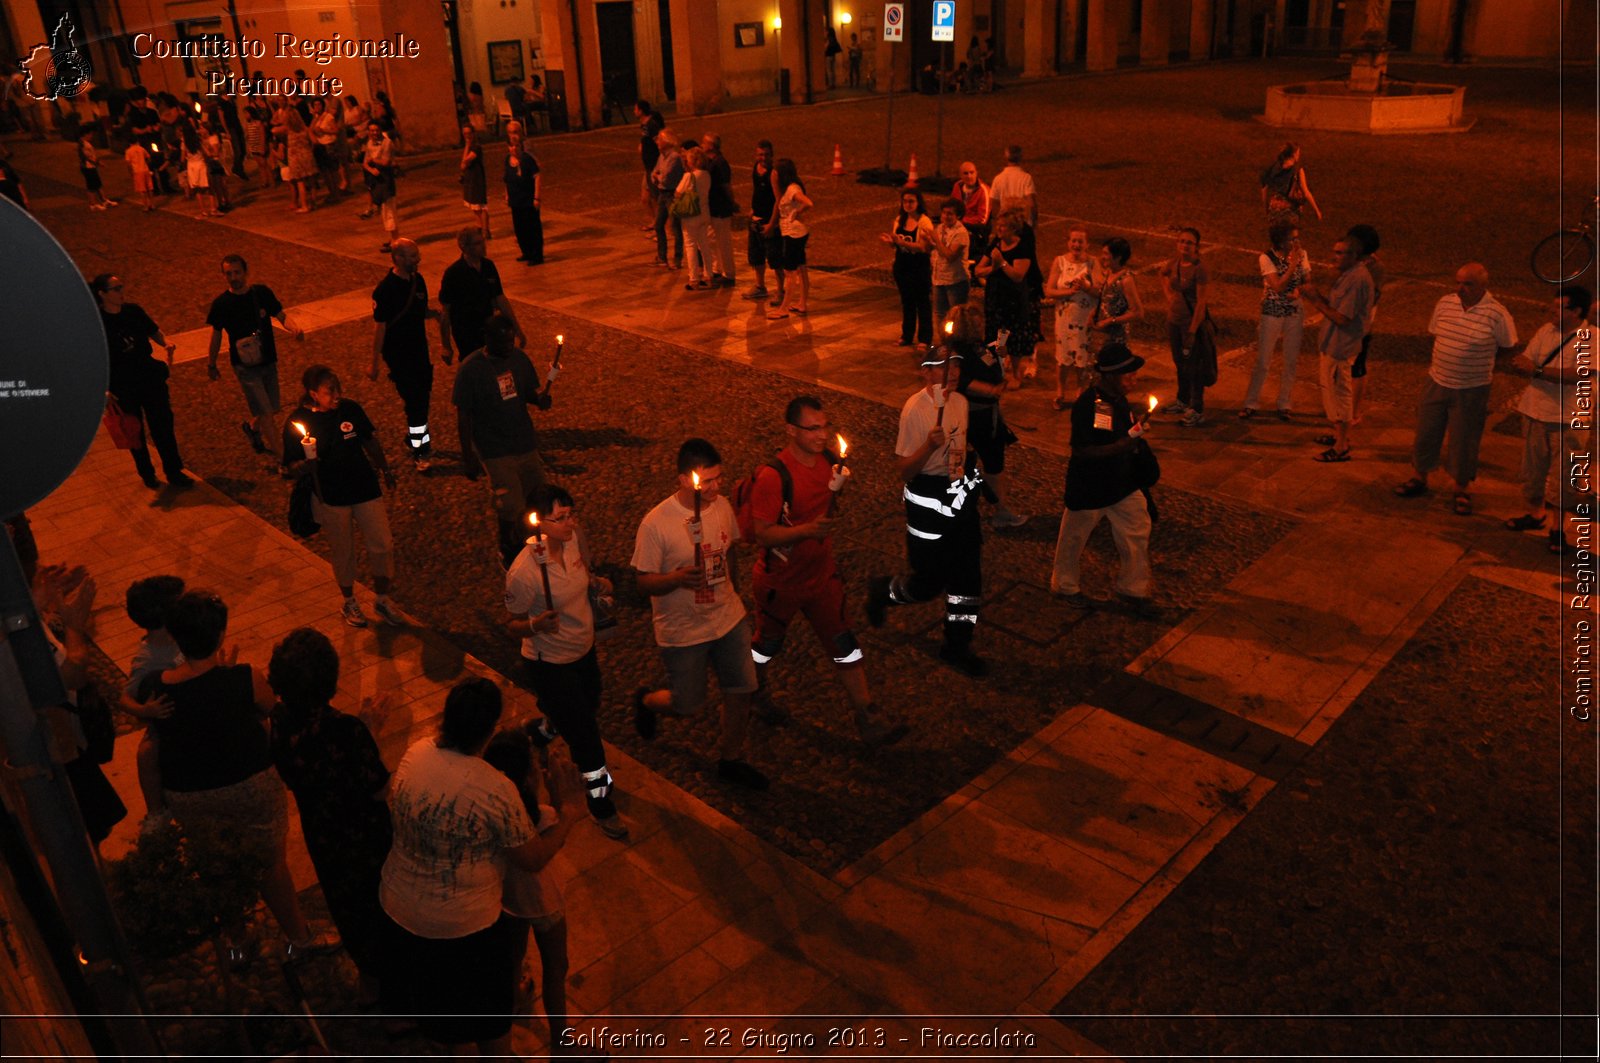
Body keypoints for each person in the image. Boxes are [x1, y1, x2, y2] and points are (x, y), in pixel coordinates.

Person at [380, 678, 579, 1055]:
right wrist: (569, 813)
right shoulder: (493, 788)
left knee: (438, 1015)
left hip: (402, 911)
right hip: (464, 929)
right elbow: (531, 857)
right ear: (488, 730)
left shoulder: (415, 754)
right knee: (490, 1027)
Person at [142, 590, 336, 961]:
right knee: (271, 863)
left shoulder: (156, 687)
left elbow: (151, 742)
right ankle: (298, 936)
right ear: (219, 635)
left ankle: (236, 943)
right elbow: (270, 709)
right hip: (250, 784)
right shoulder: (244, 677)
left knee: (214, 863)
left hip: (189, 791)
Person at [747, 396, 907, 746]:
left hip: (822, 578)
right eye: (813, 428)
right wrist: (805, 531)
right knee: (767, 645)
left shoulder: (831, 464)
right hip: (781, 584)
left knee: (844, 641)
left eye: (825, 427)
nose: (822, 435)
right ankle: (751, 687)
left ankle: (868, 715)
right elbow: (762, 533)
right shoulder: (774, 477)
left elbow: (827, 510)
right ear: (791, 430)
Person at [630, 438, 770, 790]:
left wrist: (734, 592)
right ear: (682, 479)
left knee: (742, 690)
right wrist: (676, 579)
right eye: (707, 481)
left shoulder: (721, 507)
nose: (716, 487)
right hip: (683, 630)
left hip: (727, 617)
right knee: (687, 704)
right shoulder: (656, 524)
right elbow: (643, 583)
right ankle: (647, 702)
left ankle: (731, 758)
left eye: (718, 478)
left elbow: (730, 550)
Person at [267, 628, 393, 1004]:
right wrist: (371, 730)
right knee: (381, 907)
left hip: (322, 833)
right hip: (365, 835)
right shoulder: (346, 730)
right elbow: (376, 788)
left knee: (346, 905)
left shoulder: (279, 724)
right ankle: (397, 1002)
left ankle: (370, 982)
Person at [503, 483, 628, 838]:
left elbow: (584, 577)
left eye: (571, 514)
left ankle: (543, 730)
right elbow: (511, 624)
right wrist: (534, 624)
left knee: (589, 705)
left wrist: (598, 584)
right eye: (560, 518)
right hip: (550, 664)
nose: (570, 523)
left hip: (583, 652)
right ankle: (601, 803)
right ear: (539, 523)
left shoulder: (575, 540)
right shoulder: (524, 573)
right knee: (587, 740)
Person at [865, 348, 987, 678]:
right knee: (928, 583)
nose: (952, 370)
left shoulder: (960, 403)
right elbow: (904, 470)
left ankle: (957, 645)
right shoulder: (915, 410)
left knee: (968, 582)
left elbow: (960, 445)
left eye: (956, 363)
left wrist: (972, 467)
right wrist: (928, 448)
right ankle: (885, 591)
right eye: (942, 366)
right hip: (927, 503)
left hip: (959, 498)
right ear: (926, 373)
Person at [481, 727, 579, 1051]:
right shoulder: (545, 816)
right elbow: (551, 842)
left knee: (513, 955)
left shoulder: (492, 812)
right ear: (526, 779)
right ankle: (562, 1045)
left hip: (509, 899)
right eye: (536, 768)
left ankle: (513, 1000)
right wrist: (562, 798)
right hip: (544, 901)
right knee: (556, 966)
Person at [1391, 262, 1518, 513]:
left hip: (1472, 387)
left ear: (1483, 286)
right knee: (1427, 432)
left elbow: (1509, 347)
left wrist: (1481, 361)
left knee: (1464, 439)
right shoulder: (1445, 303)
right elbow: (1435, 333)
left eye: (1468, 284)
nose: (1460, 289)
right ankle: (1420, 476)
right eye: (1458, 283)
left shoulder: (1497, 315)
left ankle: (1462, 488)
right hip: (1437, 380)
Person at [282, 365, 402, 626]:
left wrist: (385, 468)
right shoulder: (297, 422)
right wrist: (303, 465)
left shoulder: (350, 409)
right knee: (343, 551)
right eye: (330, 391)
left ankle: (382, 599)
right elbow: (290, 465)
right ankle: (349, 602)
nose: (337, 395)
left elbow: (369, 440)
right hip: (332, 496)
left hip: (365, 489)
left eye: (338, 388)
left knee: (383, 545)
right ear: (313, 394)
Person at [1049, 343, 1160, 617]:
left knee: (1137, 527)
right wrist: (1125, 444)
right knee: (1074, 537)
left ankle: (1133, 588)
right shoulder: (1090, 405)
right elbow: (1083, 450)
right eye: (1128, 376)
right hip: (1091, 484)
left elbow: (1115, 435)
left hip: (1122, 481)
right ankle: (1064, 585)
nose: (1134, 380)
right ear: (1110, 377)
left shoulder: (1118, 400)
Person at [455, 315, 553, 568]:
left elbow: (529, 392)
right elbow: (464, 416)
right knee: (511, 505)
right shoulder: (471, 369)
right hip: (494, 448)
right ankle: (509, 549)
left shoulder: (519, 359)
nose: (510, 345)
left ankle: (536, 543)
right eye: (503, 341)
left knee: (538, 497)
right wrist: (468, 455)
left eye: (511, 339)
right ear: (487, 339)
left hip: (524, 442)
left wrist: (540, 399)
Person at [1504, 285, 1590, 553]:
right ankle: (1536, 513)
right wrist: (1525, 365)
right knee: (1532, 470)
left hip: (1567, 418)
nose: (1551, 311)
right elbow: (1527, 360)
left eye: (1558, 307)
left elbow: (1580, 373)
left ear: (1575, 311)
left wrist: (1538, 370)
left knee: (1563, 476)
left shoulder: (1592, 338)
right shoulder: (1545, 331)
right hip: (1534, 412)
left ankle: (1558, 528)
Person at [94, 273, 190, 489]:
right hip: (122, 385)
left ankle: (174, 471)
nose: (121, 293)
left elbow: (154, 331)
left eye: (121, 287)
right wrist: (104, 389)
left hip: (149, 377)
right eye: (116, 289)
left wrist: (166, 342)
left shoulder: (133, 312)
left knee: (163, 426)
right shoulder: (97, 324)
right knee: (133, 431)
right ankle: (147, 473)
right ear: (102, 294)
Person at [206, 254, 303, 462]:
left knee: (271, 407)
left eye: (237, 272)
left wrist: (294, 328)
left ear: (246, 272)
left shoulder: (261, 294)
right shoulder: (222, 304)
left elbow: (281, 315)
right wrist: (211, 364)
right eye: (228, 273)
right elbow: (216, 334)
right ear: (223, 275)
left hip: (267, 359)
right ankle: (283, 459)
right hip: (245, 367)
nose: (233, 277)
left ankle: (252, 427)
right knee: (267, 413)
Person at [1299, 237, 1375, 463]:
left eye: (1341, 253)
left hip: (1341, 346)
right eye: (1335, 252)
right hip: (1333, 344)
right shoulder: (1348, 276)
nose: (1335, 257)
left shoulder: (1356, 281)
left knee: (1339, 394)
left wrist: (1315, 300)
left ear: (1354, 256)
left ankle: (1341, 446)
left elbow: (1342, 318)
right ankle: (1337, 436)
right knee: (1332, 393)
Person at [952, 304, 1026, 529]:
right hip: (976, 415)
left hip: (987, 414)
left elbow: (987, 360)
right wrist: (989, 390)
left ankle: (988, 505)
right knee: (991, 464)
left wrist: (997, 350)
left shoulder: (977, 346)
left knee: (987, 462)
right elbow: (959, 379)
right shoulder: (957, 351)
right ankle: (999, 510)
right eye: (980, 322)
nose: (984, 324)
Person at [369, 238, 440, 470]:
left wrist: (434, 315)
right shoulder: (385, 290)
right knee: (416, 402)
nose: (418, 259)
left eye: (417, 254)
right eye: (412, 256)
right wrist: (375, 363)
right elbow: (380, 328)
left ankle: (415, 438)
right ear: (397, 258)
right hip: (399, 356)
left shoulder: (417, 281)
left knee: (422, 399)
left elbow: (418, 312)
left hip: (420, 351)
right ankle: (421, 450)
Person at [1241, 222, 1310, 420]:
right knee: (1263, 359)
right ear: (1280, 241)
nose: (1296, 242)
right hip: (1272, 310)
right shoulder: (1266, 258)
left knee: (1290, 359)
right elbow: (1277, 286)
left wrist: (1299, 290)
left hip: (1294, 311)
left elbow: (1307, 280)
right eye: (1291, 239)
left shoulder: (1302, 254)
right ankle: (1251, 402)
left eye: (1297, 238)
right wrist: (1293, 265)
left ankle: (1284, 403)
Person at [975, 209, 1042, 387]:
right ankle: (998, 371)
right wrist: (994, 268)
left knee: (1013, 336)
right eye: (999, 225)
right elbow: (978, 270)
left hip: (1013, 300)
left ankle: (1016, 374)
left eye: (1003, 226)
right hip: (995, 298)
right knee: (995, 335)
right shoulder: (995, 244)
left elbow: (1018, 275)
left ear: (1013, 229)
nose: (999, 229)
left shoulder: (1022, 248)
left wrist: (1002, 263)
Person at [439, 227, 525, 364]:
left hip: (489, 328)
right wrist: (446, 346)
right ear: (464, 247)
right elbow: (446, 311)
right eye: (478, 243)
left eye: (483, 241)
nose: (483, 246)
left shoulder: (488, 266)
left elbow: (499, 298)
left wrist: (516, 328)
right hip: (466, 332)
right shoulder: (453, 274)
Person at [1043, 227, 1100, 410]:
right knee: (1063, 355)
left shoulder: (1093, 263)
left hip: (1084, 319)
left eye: (1080, 241)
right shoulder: (1059, 262)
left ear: (1087, 244)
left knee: (1081, 356)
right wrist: (1069, 291)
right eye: (1073, 240)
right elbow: (1049, 290)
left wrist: (1086, 287)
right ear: (1068, 242)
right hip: (1063, 318)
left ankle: (1080, 390)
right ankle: (1060, 391)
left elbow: (1099, 291)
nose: (1076, 244)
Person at [1160, 227, 1211, 427]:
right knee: (1179, 362)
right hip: (1173, 321)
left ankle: (1197, 408)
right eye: (1182, 241)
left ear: (1197, 246)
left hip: (1190, 324)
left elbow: (1201, 302)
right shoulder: (1174, 263)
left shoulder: (1200, 268)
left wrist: (1192, 330)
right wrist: (1170, 298)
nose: (1185, 245)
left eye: (1189, 242)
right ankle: (1182, 399)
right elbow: (1162, 274)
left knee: (1194, 367)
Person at [883, 187, 935, 347]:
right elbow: (897, 244)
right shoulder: (899, 219)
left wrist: (902, 242)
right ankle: (907, 335)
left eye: (911, 201)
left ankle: (924, 338)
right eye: (905, 201)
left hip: (919, 267)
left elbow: (924, 247)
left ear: (918, 202)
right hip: (902, 265)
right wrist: (891, 242)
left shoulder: (924, 221)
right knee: (907, 302)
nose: (908, 204)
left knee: (922, 303)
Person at [1347, 223, 1385, 426]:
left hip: (1359, 326)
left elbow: (1373, 298)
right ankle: (1343, 408)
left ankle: (1352, 412)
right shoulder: (1354, 262)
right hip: (1348, 324)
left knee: (1356, 368)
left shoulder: (1374, 268)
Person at [768, 158, 813, 320]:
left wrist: (798, 212)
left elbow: (808, 202)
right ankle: (802, 303)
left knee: (790, 272)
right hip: (796, 233)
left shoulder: (793, 189)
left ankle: (784, 308)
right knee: (801, 267)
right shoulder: (786, 189)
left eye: (775, 171)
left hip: (793, 234)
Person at [743, 139, 783, 302]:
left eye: (766, 155)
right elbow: (757, 190)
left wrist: (772, 224)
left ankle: (781, 291)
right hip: (756, 220)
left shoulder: (773, 173)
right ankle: (760, 286)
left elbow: (778, 199)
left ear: (772, 155)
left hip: (768, 221)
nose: (763, 158)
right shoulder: (756, 168)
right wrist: (752, 209)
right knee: (756, 255)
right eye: (760, 154)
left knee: (775, 258)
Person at [1090, 236, 1144, 354]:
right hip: (1102, 337)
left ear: (1118, 257)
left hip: (1116, 339)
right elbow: (1105, 298)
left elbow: (1138, 313)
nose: (1102, 257)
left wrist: (1111, 320)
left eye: (1106, 254)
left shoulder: (1126, 280)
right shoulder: (1108, 273)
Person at [676, 144, 716, 290]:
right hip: (704, 214)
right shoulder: (706, 175)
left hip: (691, 215)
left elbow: (678, 192)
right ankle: (709, 275)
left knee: (690, 245)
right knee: (704, 244)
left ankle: (694, 278)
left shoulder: (689, 176)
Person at [504, 127, 544, 265]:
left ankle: (536, 255)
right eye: (511, 146)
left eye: (516, 146)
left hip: (528, 200)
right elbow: (507, 179)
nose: (514, 149)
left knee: (532, 228)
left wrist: (536, 197)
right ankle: (526, 252)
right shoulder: (508, 160)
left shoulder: (527, 160)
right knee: (520, 228)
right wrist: (507, 194)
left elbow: (537, 176)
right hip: (516, 201)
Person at [702, 133, 738, 287]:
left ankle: (729, 274)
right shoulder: (711, 162)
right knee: (712, 240)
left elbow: (725, 185)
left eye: (704, 143)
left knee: (724, 243)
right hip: (713, 207)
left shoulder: (720, 163)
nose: (702, 145)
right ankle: (717, 269)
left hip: (721, 208)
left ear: (711, 146)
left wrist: (732, 202)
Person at [931, 196, 971, 328]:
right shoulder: (940, 228)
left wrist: (936, 239)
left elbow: (950, 255)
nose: (945, 216)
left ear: (958, 215)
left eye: (950, 213)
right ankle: (944, 343)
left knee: (956, 316)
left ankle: (957, 344)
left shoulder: (961, 233)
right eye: (944, 212)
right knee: (940, 314)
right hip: (939, 278)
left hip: (955, 280)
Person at [360, 121, 400, 253]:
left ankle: (395, 240)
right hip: (375, 178)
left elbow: (386, 161)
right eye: (371, 130)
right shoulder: (369, 143)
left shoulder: (387, 143)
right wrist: (371, 170)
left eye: (376, 130)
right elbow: (365, 162)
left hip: (385, 178)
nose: (374, 133)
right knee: (383, 209)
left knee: (389, 209)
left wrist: (374, 161)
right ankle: (392, 238)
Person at [1260, 141, 1321, 225]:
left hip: (1274, 207)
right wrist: (1317, 211)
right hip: (1289, 209)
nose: (1299, 156)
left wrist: (1265, 209)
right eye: (1298, 153)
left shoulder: (1274, 166)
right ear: (1293, 154)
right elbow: (1306, 193)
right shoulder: (1297, 170)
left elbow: (1264, 189)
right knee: (1290, 235)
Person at [651, 128, 686, 270]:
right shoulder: (662, 156)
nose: (657, 142)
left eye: (659, 139)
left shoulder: (674, 157)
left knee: (676, 227)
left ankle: (677, 258)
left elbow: (664, 178)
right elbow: (655, 173)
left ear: (666, 141)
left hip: (672, 195)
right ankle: (662, 256)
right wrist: (657, 176)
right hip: (663, 194)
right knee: (658, 225)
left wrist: (658, 177)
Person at [988, 146, 1036, 229]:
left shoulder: (998, 179)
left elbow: (993, 204)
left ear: (1005, 157)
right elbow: (1031, 204)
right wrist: (1034, 221)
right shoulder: (1026, 178)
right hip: (1022, 224)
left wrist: (1000, 219)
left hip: (1006, 225)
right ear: (1021, 157)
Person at [635, 99, 665, 228]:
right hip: (647, 165)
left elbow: (659, 141)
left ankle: (661, 226)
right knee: (645, 198)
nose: (634, 111)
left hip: (653, 165)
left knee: (655, 197)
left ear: (641, 111)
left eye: (635, 109)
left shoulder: (651, 125)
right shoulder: (644, 125)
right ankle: (655, 222)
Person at [457, 123, 489, 239]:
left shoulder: (476, 147)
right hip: (470, 179)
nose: (467, 136)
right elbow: (463, 165)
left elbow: (465, 161)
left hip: (477, 179)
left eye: (469, 133)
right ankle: (479, 226)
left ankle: (485, 230)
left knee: (481, 206)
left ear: (473, 133)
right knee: (474, 206)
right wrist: (466, 146)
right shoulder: (469, 147)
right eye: (465, 134)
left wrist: (467, 145)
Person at [953, 161, 991, 256]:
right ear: (960, 175)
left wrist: (962, 222)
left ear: (976, 173)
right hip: (958, 227)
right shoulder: (958, 186)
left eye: (972, 172)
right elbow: (952, 206)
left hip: (976, 232)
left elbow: (982, 220)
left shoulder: (983, 191)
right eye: (965, 173)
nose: (969, 176)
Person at [281, 107, 315, 213]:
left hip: (295, 157)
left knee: (300, 182)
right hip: (307, 154)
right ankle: (313, 203)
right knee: (311, 180)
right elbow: (314, 140)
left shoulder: (287, 130)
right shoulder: (305, 128)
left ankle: (304, 205)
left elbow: (274, 130)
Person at [78, 132, 115, 210]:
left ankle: (104, 200)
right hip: (88, 167)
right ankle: (93, 204)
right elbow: (88, 157)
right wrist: (98, 163)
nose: (92, 136)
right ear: (85, 134)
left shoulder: (84, 143)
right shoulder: (84, 145)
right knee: (91, 186)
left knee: (97, 184)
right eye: (90, 134)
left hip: (91, 166)